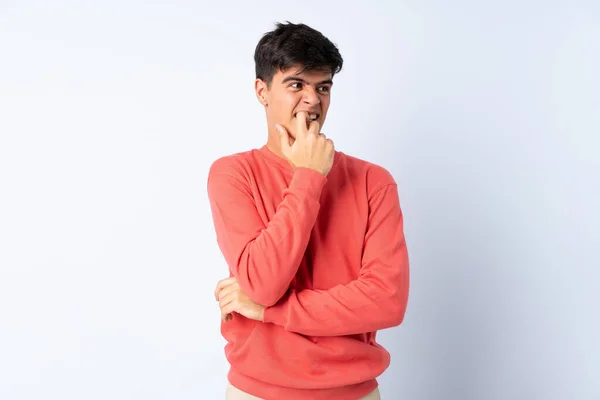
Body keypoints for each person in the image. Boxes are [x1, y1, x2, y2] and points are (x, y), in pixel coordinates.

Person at [207, 21, 410, 400]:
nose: (313, 101)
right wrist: (309, 176)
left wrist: (268, 311)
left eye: (323, 87)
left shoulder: (373, 181)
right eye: (296, 84)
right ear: (262, 91)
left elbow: (387, 301)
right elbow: (262, 282)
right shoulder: (233, 174)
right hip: (257, 393)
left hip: (353, 393)